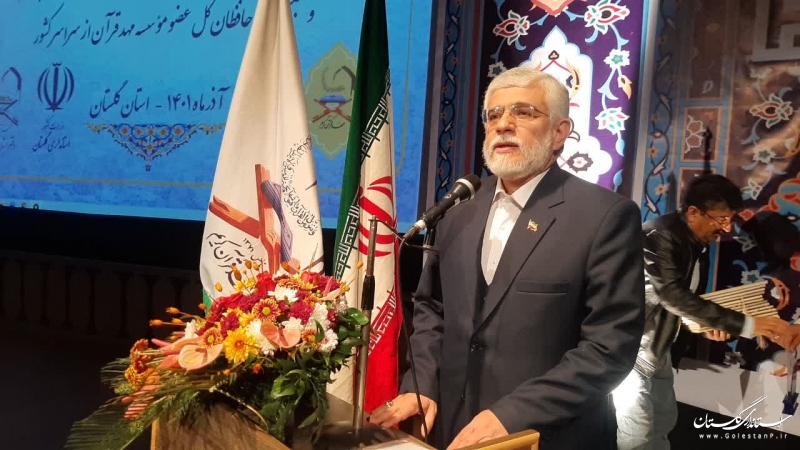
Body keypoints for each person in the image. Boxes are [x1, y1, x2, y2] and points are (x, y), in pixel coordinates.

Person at [368, 67, 646, 449]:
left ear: (560, 132)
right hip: (451, 430)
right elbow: (433, 308)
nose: (503, 125)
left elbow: (609, 348)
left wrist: (512, 414)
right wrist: (424, 384)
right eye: (494, 115)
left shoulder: (604, 216)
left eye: (524, 112)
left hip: (547, 436)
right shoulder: (458, 208)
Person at [611, 173, 793, 450]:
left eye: (730, 219)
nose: (727, 227)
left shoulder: (697, 244)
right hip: (630, 349)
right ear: (694, 212)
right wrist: (748, 324)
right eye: (721, 219)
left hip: (658, 349)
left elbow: (682, 303)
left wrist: (706, 327)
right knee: (638, 434)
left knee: (662, 422)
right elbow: (672, 295)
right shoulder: (659, 236)